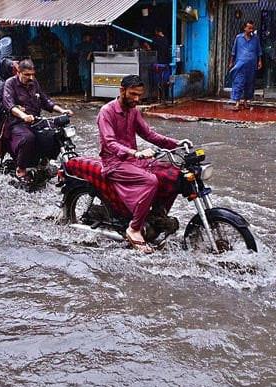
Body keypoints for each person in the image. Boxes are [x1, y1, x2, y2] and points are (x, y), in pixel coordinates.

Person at [97, 75, 190, 253]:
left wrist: (176, 143)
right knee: (150, 181)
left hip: (133, 160)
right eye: (133, 94)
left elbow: (149, 135)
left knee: (173, 175)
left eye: (139, 95)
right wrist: (135, 152)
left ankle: (157, 216)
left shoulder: (134, 111)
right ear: (121, 91)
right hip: (113, 163)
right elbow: (110, 142)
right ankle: (133, 229)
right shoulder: (106, 112)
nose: (136, 99)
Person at [2, 58, 73, 182]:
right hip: (17, 123)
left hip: (36, 121)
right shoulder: (10, 83)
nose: (30, 78)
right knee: (28, 138)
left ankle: (44, 161)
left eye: (32, 75)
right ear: (18, 72)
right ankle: (21, 170)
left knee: (55, 134)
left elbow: (46, 101)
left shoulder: (34, 83)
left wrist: (62, 111)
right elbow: (10, 105)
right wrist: (23, 116)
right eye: (26, 75)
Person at [228, 21, 262, 110]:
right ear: (245, 28)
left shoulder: (256, 39)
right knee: (238, 82)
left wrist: (259, 61)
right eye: (249, 28)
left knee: (249, 83)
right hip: (240, 64)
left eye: (252, 28)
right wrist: (231, 62)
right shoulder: (239, 38)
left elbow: (259, 51)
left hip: (251, 65)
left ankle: (246, 102)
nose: (251, 30)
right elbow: (233, 51)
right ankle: (237, 102)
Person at [143, 28, 172, 101]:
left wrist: (147, 46)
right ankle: (165, 97)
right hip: (166, 64)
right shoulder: (166, 39)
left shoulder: (157, 40)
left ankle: (159, 97)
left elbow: (150, 49)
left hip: (160, 64)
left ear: (157, 32)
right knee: (165, 81)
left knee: (158, 81)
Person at [76, 34, 95, 101]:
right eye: (85, 37)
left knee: (87, 78)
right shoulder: (80, 45)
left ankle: (87, 94)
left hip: (87, 64)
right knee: (82, 77)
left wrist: (90, 54)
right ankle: (85, 92)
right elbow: (77, 52)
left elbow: (94, 51)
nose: (86, 38)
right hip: (82, 63)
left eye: (87, 37)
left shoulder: (92, 45)